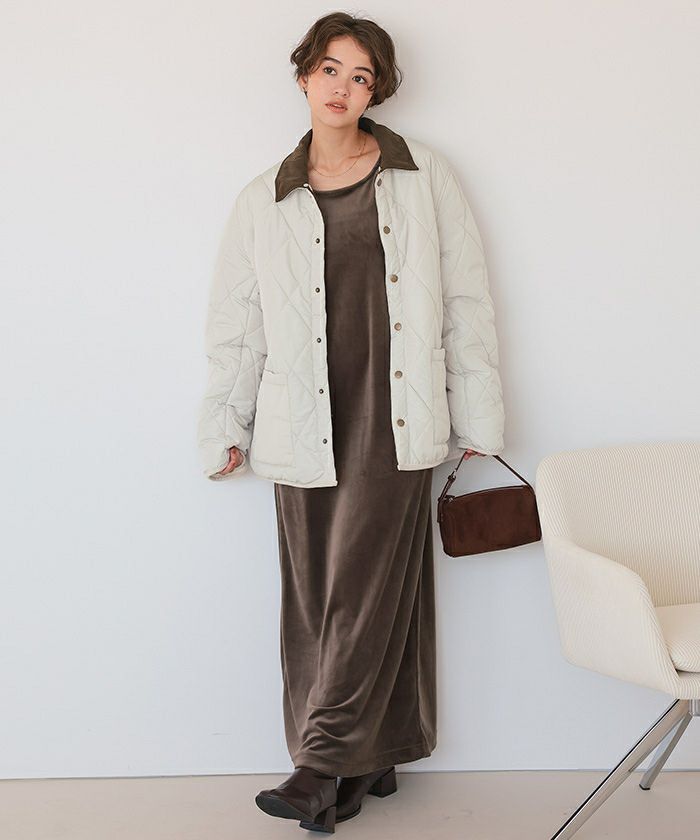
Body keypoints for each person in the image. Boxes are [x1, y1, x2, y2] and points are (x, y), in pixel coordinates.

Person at [197, 11, 505, 833]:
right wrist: (225, 424)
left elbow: (466, 299)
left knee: (362, 593)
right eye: (330, 69)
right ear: (304, 76)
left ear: (377, 91)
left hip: (395, 416)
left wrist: (478, 410)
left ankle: (316, 766)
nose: (342, 88)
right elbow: (237, 325)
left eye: (360, 76)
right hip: (300, 419)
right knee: (314, 599)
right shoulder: (263, 198)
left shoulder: (422, 175)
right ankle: (372, 760)